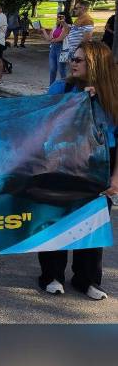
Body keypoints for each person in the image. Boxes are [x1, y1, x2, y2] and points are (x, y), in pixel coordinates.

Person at [40, 41, 118, 300]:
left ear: (97, 65)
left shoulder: (113, 97)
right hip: (62, 162)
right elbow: (42, 125)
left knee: (92, 226)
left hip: (99, 166)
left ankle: (87, 280)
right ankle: (51, 275)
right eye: (73, 58)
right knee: (58, 222)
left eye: (80, 59)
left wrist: (115, 179)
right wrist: (80, 104)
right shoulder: (61, 88)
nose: (73, 62)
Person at [39, 12, 69, 85]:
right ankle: (51, 86)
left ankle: (65, 86)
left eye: (61, 17)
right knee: (52, 69)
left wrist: (53, 40)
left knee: (62, 69)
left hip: (62, 49)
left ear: (65, 18)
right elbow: (49, 39)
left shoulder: (68, 27)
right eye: (58, 17)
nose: (59, 18)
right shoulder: (55, 27)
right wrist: (43, 31)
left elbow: (61, 38)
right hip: (53, 48)